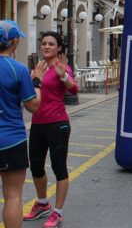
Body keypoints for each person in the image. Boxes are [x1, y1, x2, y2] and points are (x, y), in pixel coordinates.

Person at [24, 31, 78, 227]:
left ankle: (58, 212)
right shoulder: (38, 68)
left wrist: (63, 76)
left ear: (59, 48)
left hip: (57, 124)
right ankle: (42, 204)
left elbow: (74, 89)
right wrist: (33, 79)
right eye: (44, 43)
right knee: (36, 166)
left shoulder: (60, 67)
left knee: (59, 167)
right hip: (37, 123)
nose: (46, 46)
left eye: (51, 44)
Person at [0, 20, 40, 228]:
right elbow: (33, 106)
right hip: (10, 140)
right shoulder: (18, 69)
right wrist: (37, 81)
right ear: (14, 41)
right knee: (13, 195)